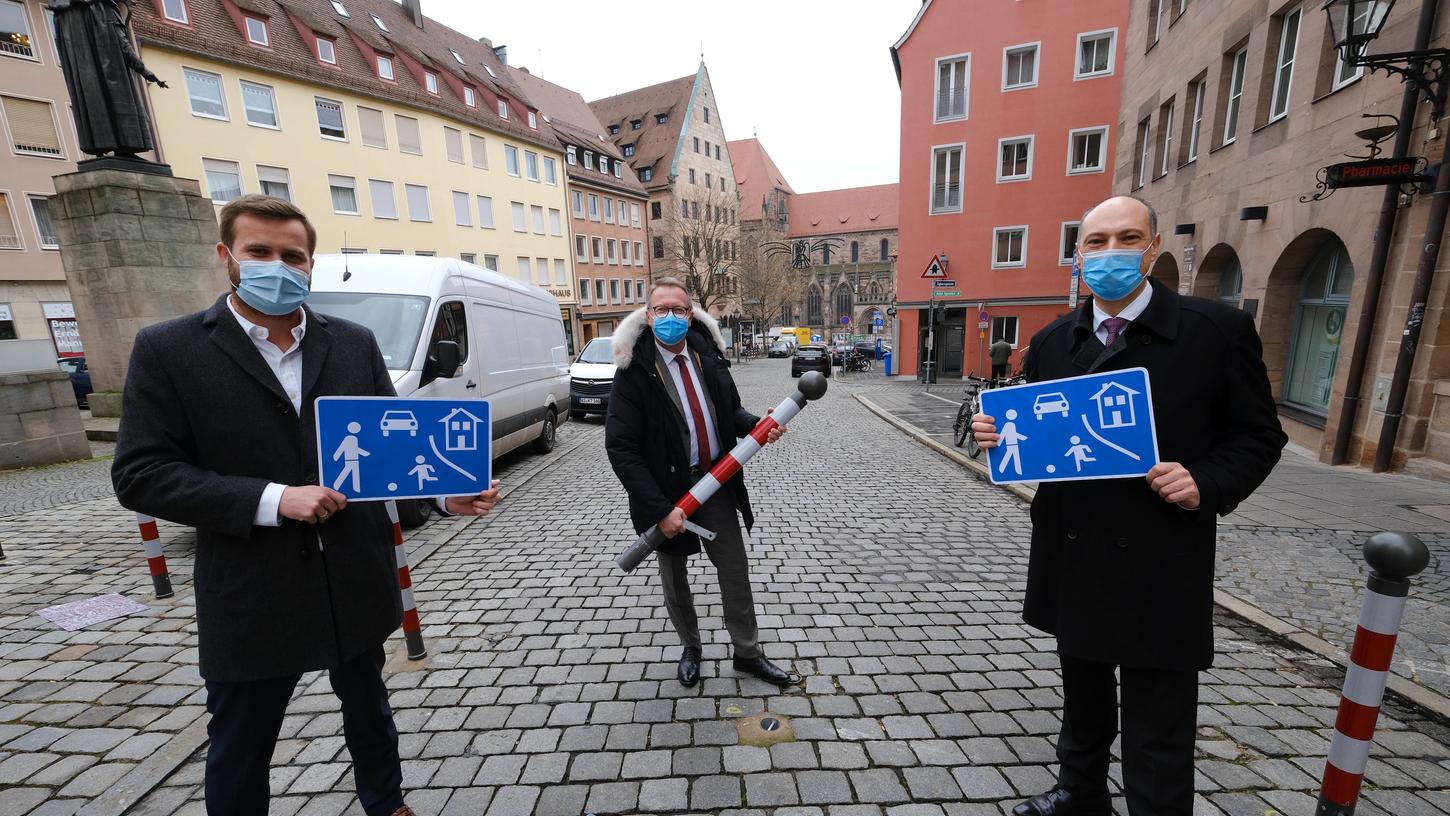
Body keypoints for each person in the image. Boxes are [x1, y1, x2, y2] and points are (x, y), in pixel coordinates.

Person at [112, 195, 502, 816]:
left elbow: (387, 449)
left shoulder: (351, 342)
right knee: (242, 740)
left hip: (352, 575)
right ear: (226, 257)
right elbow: (142, 474)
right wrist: (272, 499)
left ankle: (386, 803)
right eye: (258, 252)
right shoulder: (170, 349)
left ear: (310, 264)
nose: (277, 266)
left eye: (291, 255)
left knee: (369, 712)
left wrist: (443, 492)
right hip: (250, 590)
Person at [972, 196, 1285, 816]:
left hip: (1161, 554)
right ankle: (1079, 792)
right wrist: (999, 438)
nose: (1109, 252)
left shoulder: (1214, 331)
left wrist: (1207, 481)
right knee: (1082, 694)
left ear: (1151, 247)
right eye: (1095, 242)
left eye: (1126, 238)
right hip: (1075, 547)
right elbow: (1052, 439)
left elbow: (1258, 437)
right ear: (1079, 255)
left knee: (1159, 715)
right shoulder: (1054, 341)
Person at [605, 277, 794, 688]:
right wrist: (660, 510)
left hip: (715, 483)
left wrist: (756, 426)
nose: (670, 317)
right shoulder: (634, 370)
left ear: (691, 315)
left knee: (735, 570)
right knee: (675, 579)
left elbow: (730, 411)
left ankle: (747, 653)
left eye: (679, 309)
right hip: (667, 495)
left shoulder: (707, 355)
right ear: (648, 315)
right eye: (662, 310)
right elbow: (621, 449)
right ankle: (690, 647)